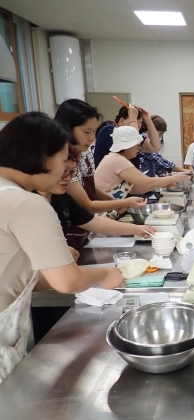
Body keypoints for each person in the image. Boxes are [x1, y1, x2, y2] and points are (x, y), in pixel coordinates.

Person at [0, 113, 123, 381]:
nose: (63, 170)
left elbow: (18, 275)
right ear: (43, 156)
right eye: (61, 160)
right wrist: (105, 273)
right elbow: (67, 282)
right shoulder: (27, 203)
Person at [54, 99, 147, 248]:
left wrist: (110, 200)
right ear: (67, 128)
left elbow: (88, 187)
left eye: (93, 131)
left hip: (83, 227)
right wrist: (123, 202)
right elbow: (87, 204)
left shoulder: (84, 153)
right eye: (86, 132)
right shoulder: (63, 161)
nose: (91, 138)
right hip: (69, 232)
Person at [36, 146, 156, 255]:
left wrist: (138, 229)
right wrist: (58, 251)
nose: (67, 177)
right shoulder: (31, 203)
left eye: (72, 172)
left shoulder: (62, 199)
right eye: (63, 171)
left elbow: (96, 223)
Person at [95, 126, 189, 202]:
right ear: (128, 146)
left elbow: (133, 189)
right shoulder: (117, 160)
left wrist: (161, 184)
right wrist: (174, 178)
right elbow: (148, 182)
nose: (139, 148)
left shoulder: (117, 158)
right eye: (137, 145)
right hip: (101, 209)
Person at [93, 104, 162, 167]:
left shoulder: (135, 136)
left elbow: (155, 147)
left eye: (140, 122)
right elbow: (131, 146)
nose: (138, 125)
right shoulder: (108, 131)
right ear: (122, 120)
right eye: (134, 120)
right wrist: (133, 118)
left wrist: (148, 121)